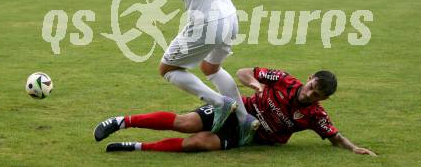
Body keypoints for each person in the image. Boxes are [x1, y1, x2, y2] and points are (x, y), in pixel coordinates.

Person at [103, 0, 259, 146]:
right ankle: (245, 119)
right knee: (211, 68)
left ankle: (220, 103)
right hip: (231, 18)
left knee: (168, 70)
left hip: (206, 21)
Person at [94, 67, 377, 156]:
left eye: (316, 93)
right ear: (311, 77)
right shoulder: (284, 80)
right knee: (186, 123)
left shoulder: (316, 116)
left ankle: (137, 147)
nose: (309, 92)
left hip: (248, 136)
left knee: (198, 143)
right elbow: (243, 72)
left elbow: (335, 136)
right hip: (238, 111)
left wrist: (355, 148)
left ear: (323, 98)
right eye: (312, 85)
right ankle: (121, 121)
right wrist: (255, 84)